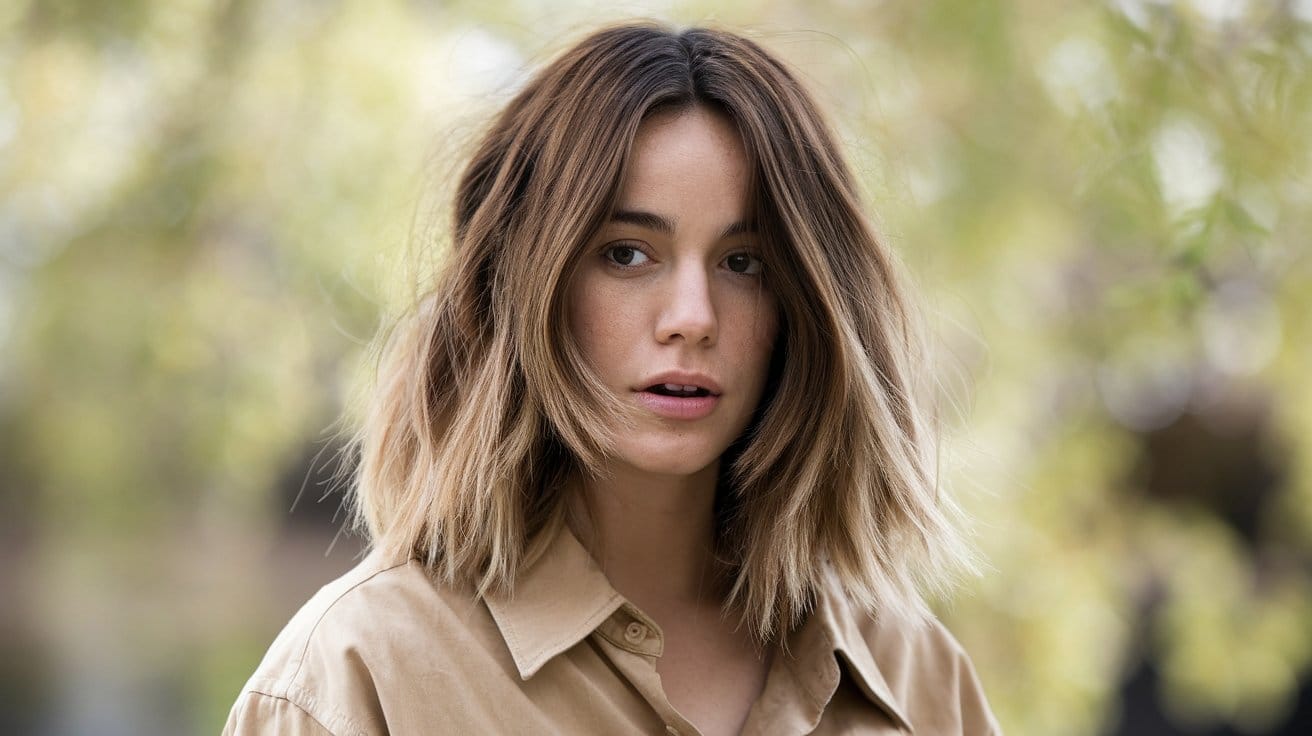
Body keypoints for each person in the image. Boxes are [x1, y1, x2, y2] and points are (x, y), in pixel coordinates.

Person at [223, 20, 1000, 736]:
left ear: (800, 307)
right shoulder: (359, 676)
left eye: (743, 263)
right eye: (627, 253)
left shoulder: (913, 677)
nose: (693, 317)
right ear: (524, 287)